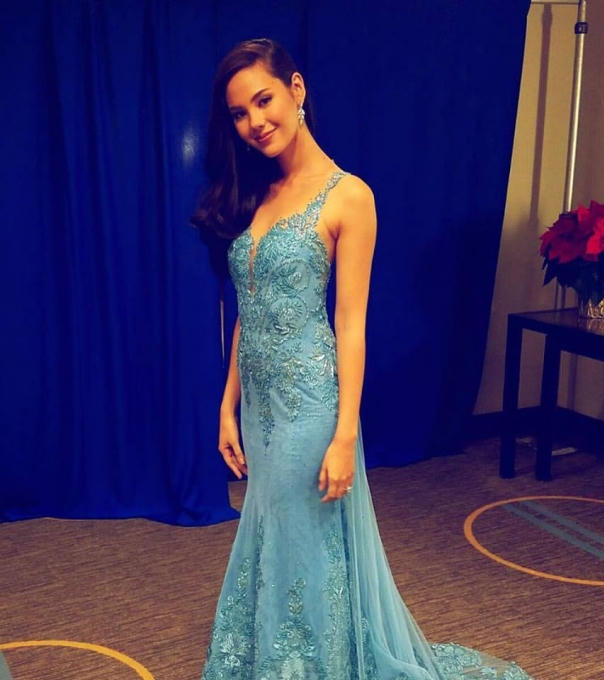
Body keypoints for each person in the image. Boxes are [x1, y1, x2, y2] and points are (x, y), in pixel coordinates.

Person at [191, 37, 534, 680]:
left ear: (296, 90)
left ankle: (305, 665)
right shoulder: (257, 191)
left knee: (298, 533)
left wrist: (345, 432)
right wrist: (227, 405)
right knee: (274, 529)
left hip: (309, 404)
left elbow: (351, 325)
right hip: (260, 407)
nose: (254, 122)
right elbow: (248, 308)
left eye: (263, 101)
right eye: (238, 113)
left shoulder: (349, 196)